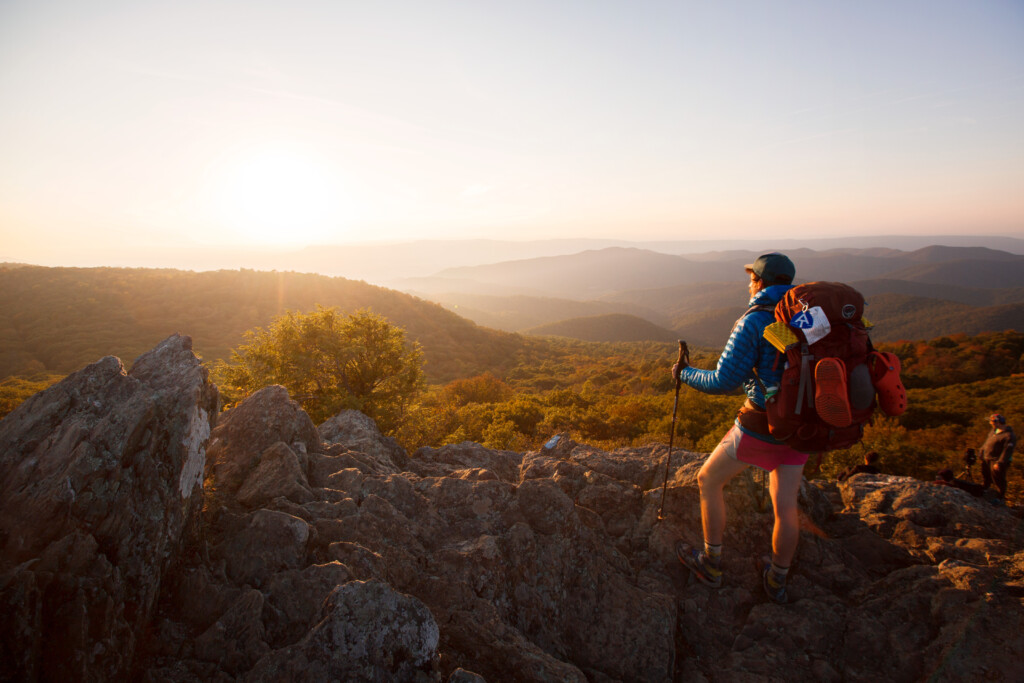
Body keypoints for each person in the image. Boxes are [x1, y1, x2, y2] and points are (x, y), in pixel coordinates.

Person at [672, 252, 817, 604]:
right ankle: (777, 581)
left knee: (708, 480)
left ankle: (711, 563)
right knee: (785, 505)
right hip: (803, 425)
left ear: (760, 283)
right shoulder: (809, 316)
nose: (748, 283)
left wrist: (684, 373)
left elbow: (724, 380)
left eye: (751, 278)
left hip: (762, 422)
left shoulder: (753, 321)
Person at [979, 414, 1015, 500]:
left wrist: (1000, 463)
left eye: (992, 421)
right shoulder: (993, 431)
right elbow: (987, 443)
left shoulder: (1008, 435)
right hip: (987, 458)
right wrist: (981, 451)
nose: (990, 423)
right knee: (986, 476)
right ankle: (984, 491)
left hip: (997, 460)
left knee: (998, 479)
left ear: (998, 422)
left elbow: (1007, 451)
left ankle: (999, 497)